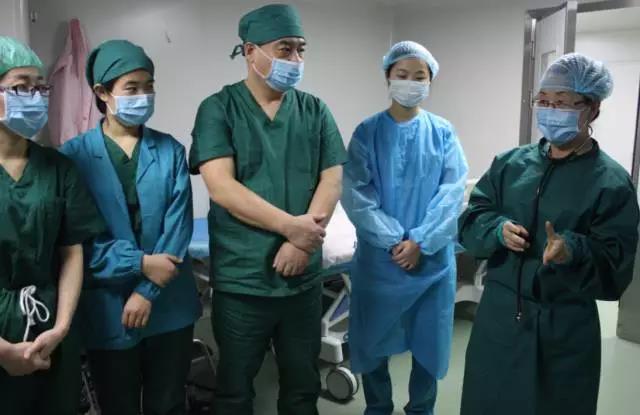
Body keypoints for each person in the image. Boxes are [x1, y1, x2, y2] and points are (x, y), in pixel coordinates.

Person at [459, 53, 640, 415]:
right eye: (543, 101)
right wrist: (496, 230)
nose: (550, 110)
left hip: (564, 329)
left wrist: (572, 250)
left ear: (592, 109)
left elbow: (616, 266)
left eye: (562, 102)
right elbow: (471, 219)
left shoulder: (611, 182)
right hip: (499, 319)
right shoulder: (511, 165)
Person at [189, 4, 346, 414]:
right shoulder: (218, 109)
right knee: (235, 390)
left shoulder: (314, 110)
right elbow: (222, 187)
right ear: (250, 51)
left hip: (302, 284)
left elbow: (332, 180)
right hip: (244, 283)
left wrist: (302, 243)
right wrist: (292, 229)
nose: (295, 59)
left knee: (302, 386)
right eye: (284, 49)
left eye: (300, 49)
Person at [60, 39, 201, 415]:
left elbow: (178, 229)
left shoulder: (170, 151)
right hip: (108, 305)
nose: (143, 97)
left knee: (168, 402)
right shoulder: (71, 158)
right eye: (132, 88)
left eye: (149, 87)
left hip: (169, 303)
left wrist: (147, 291)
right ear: (102, 93)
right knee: (117, 403)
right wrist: (138, 263)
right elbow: (78, 241)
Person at [341, 40, 468, 415]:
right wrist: (396, 240)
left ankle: (421, 409)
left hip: (431, 262)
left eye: (419, 76)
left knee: (429, 342)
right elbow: (356, 193)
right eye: (402, 74)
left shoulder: (443, 132)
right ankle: (378, 407)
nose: (410, 82)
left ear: (430, 82)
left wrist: (422, 242)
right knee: (372, 340)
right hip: (380, 262)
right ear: (387, 77)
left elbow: (452, 191)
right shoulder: (367, 133)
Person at [0, 36, 105, 414]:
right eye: (20, 86)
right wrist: (3, 351)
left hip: (51, 324)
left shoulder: (59, 168)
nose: (34, 96)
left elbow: (71, 253)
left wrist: (60, 328)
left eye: (40, 87)